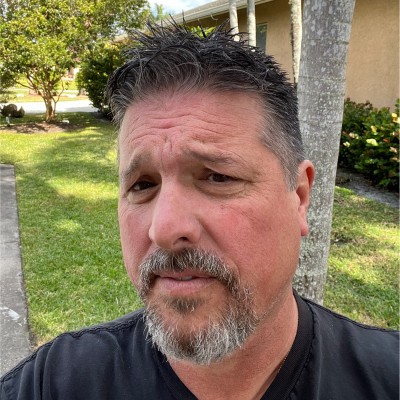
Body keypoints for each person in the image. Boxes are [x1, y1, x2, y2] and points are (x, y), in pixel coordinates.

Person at [1, 22, 398, 400]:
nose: (164, 228)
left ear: (299, 196)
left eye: (217, 177)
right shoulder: (54, 383)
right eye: (142, 185)